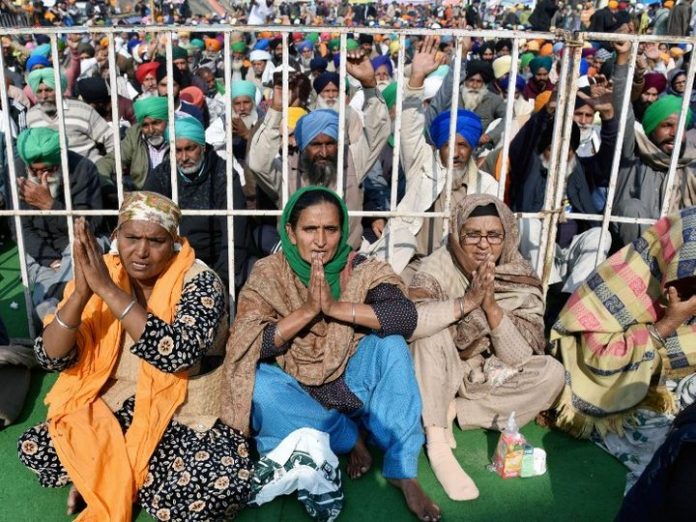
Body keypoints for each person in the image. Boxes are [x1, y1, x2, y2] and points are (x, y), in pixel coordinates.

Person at [18, 192, 253, 520]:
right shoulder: (106, 274)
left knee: (216, 489)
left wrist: (109, 292)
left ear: (172, 242)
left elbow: (177, 354)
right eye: (131, 238)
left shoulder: (200, 282)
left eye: (155, 240)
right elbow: (50, 357)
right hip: (118, 405)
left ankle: (110, 478)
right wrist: (83, 294)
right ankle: (121, 477)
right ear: (116, 237)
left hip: (184, 412)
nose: (141, 251)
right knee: (39, 446)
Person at [222, 186, 441, 522]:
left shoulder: (359, 267)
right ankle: (348, 436)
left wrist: (337, 307)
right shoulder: (269, 273)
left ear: (343, 231)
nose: (321, 241)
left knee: (391, 346)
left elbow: (404, 316)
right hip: (295, 388)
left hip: (351, 380)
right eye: (310, 230)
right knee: (259, 385)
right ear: (291, 233)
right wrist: (308, 311)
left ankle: (402, 469)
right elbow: (251, 343)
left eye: (331, 229)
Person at [408, 194, 564, 502]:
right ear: (457, 235)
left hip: (490, 376)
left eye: (494, 235)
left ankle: (458, 412)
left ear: (507, 236)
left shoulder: (519, 273)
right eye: (473, 235)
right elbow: (412, 322)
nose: (483, 244)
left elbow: (518, 358)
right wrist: (466, 303)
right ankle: (437, 442)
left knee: (552, 373)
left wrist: (490, 306)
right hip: (440, 371)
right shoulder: (439, 264)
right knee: (429, 335)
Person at [551, 207, 696, 488]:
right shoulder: (620, 281)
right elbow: (600, 361)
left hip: (672, 384)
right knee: (667, 448)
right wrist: (668, 323)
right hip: (610, 387)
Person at [144, 116, 250, 290]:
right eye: (177, 150)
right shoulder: (162, 175)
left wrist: (219, 279)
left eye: (190, 149)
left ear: (202, 147)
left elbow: (234, 234)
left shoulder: (223, 175)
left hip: (217, 261)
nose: (184, 157)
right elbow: (146, 221)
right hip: (172, 260)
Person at [611, 38, 696, 246]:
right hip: (633, 256)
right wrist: (623, 59)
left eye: (680, 127)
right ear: (651, 129)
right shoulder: (633, 152)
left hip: (678, 251)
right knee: (632, 207)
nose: (674, 133)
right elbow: (622, 110)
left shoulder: (690, 161)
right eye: (666, 125)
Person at [15, 127, 103, 321]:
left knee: (56, 300)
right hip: (40, 251)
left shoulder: (83, 168)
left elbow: (90, 226)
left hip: (76, 243)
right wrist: (50, 260)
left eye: (48, 169)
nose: (41, 176)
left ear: (60, 162)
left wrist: (50, 205)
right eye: (35, 171)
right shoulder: (17, 171)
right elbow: (21, 229)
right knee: (44, 306)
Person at [26, 67, 114, 163]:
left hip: (88, 171)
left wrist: (108, 166)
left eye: (49, 90)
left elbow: (110, 138)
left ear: (59, 90)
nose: (44, 96)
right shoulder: (31, 116)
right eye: (39, 91)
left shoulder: (81, 110)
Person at [96, 96, 170, 193]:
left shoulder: (181, 136)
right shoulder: (136, 135)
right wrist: (108, 187)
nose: (151, 130)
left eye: (156, 123)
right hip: (143, 196)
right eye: (145, 125)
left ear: (168, 121)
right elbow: (109, 161)